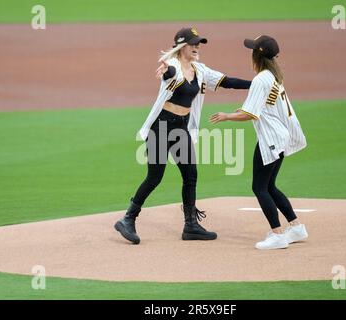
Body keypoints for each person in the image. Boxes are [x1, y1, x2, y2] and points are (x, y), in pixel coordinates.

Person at [114, 27, 251, 244]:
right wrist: (166, 70)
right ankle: (128, 219)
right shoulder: (173, 67)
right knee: (155, 177)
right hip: (160, 127)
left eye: (199, 43)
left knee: (191, 174)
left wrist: (257, 85)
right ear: (181, 46)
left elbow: (227, 81)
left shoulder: (200, 69)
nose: (197, 47)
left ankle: (191, 226)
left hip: (181, 128)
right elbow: (169, 75)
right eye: (193, 43)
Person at [210, 35, 308, 250]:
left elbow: (250, 115)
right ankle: (296, 227)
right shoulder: (274, 76)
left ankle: (277, 234)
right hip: (281, 137)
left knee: (259, 187)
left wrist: (227, 116)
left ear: (257, 55)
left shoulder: (261, 79)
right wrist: (244, 111)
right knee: (269, 186)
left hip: (271, 140)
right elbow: (264, 108)